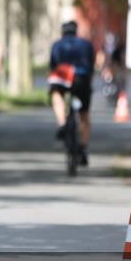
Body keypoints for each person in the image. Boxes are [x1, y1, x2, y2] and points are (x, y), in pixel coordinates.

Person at [48, 20, 95, 164]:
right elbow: (92, 65)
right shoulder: (86, 44)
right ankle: (84, 147)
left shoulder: (57, 44)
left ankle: (62, 123)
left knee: (56, 95)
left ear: (63, 32)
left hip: (62, 77)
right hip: (82, 78)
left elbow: (53, 65)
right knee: (84, 115)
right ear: (76, 31)